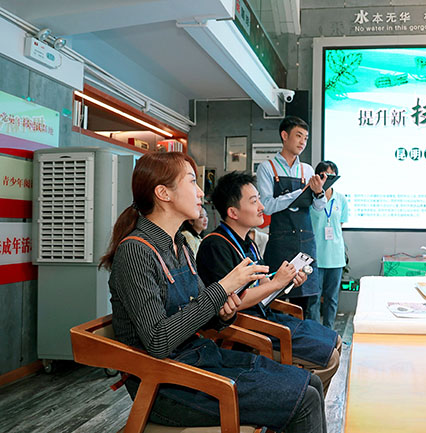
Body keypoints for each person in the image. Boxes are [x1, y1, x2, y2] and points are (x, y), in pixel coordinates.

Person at [99, 152, 326, 433]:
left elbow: (201, 314)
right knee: (304, 399)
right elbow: (158, 341)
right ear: (163, 193)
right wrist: (222, 288)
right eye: (191, 182)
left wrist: (223, 313)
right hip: (167, 384)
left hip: (198, 361)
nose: (200, 192)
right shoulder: (135, 251)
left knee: (311, 383)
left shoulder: (180, 246)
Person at [196, 171, 341, 394]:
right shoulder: (215, 245)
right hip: (245, 327)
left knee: (336, 341)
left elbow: (263, 286)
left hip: (264, 317)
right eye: (254, 201)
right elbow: (231, 303)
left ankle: (306, 398)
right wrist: (275, 284)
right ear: (233, 212)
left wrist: (286, 282)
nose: (262, 207)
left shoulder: (249, 243)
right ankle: (303, 398)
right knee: (330, 358)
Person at [256, 116, 326, 317]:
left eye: (306, 138)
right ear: (284, 136)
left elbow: (319, 207)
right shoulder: (267, 167)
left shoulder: (308, 170)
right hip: (280, 242)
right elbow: (267, 206)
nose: (303, 142)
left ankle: (303, 336)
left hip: (306, 242)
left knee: (305, 303)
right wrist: (299, 193)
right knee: (275, 299)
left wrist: (318, 192)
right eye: (298, 136)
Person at [309, 161, 349, 328]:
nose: (328, 179)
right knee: (314, 297)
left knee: (332, 298)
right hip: (316, 255)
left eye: (332, 175)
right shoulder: (310, 198)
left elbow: (339, 225)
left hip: (335, 255)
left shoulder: (341, 199)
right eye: (325, 175)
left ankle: (329, 330)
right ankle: (314, 332)